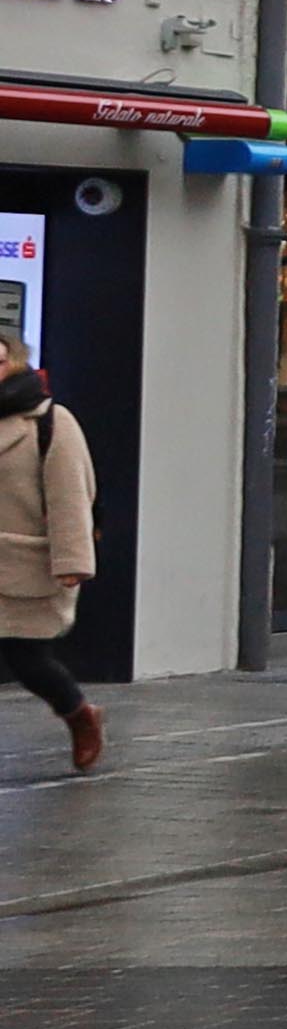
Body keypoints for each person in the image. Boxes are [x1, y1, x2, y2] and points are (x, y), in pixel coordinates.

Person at [0, 321, 94, 771]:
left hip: (21, 562)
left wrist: (72, 561)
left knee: (28, 661)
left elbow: (70, 497)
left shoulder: (51, 421)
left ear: (14, 362)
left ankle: (78, 714)